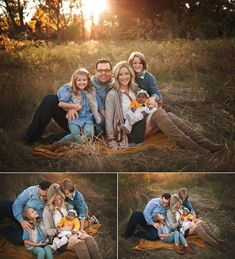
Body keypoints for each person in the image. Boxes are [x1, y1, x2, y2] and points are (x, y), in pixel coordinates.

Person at [105, 60, 223, 153]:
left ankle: (205, 143)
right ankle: (193, 148)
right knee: (159, 113)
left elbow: (149, 101)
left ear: (131, 75)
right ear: (116, 76)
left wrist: (153, 101)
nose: (124, 77)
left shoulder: (135, 90)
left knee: (169, 114)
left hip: (141, 123)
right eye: (120, 74)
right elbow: (109, 120)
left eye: (126, 74)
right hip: (129, 131)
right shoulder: (112, 94)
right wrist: (112, 141)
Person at [25, 59, 112, 144]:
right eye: (100, 70)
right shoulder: (86, 81)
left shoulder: (114, 86)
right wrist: (70, 106)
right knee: (50, 99)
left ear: (111, 72)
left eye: (107, 70)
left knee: (80, 136)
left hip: (93, 124)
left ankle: (53, 140)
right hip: (74, 117)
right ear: (96, 71)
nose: (103, 73)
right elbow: (64, 89)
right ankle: (31, 137)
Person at [43, 183, 101, 259]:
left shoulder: (67, 205)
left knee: (89, 239)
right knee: (80, 244)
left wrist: (76, 232)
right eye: (55, 200)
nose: (59, 202)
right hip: (60, 238)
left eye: (60, 198)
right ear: (51, 199)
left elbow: (76, 218)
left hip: (73, 232)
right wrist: (61, 229)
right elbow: (48, 231)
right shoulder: (47, 211)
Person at [57, 68, 101, 144]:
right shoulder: (71, 92)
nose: (82, 82)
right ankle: (59, 144)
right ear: (75, 81)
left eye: (84, 80)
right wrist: (73, 106)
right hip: (74, 118)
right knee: (75, 134)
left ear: (88, 81)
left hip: (87, 118)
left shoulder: (91, 91)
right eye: (79, 80)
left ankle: (76, 146)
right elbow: (60, 103)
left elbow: (97, 105)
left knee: (89, 134)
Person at [0, 180, 52, 245]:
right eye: (40, 194)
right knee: (2, 205)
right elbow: (17, 204)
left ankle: (4, 229)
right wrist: (21, 221)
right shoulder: (31, 190)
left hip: (32, 221)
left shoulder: (52, 200)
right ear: (38, 188)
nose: (41, 197)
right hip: (20, 212)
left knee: (18, 240)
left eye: (45, 196)